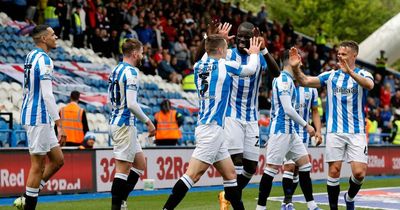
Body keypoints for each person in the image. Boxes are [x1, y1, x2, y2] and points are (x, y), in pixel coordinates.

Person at [162, 34, 262, 210]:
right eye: (226, 47)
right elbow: (251, 70)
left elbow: (206, 51)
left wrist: (214, 38)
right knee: (192, 175)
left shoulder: (198, 65)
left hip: (210, 127)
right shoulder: (225, 65)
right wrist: (254, 53)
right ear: (222, 50)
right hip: (211, 130)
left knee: (231, 175)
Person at [196, 21, 280, 208]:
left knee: (251, 168)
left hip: (251, 117)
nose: (241, 39)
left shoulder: (256, 57)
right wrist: (212, 38)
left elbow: (277, 73)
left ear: (254, 39)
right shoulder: (228, 54)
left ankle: (227, 195)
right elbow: (201, 59)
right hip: (231, 115)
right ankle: (234, 203)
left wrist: (264, 50)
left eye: (246, 37)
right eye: (239, 36)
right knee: (237, 162)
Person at [291, 40, 374, 210]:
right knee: (334, 171)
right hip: (335, 131)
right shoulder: (330, 76)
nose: (339, 56)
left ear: (354, 55)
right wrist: (295, 68)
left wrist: (349, 72)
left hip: (356, 131)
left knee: (359, 173)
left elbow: (369, 85)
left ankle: (349, 197)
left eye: (343, 54)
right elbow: (305, 81)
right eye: (338, 54)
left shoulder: (364, 74)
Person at [256, 49, 320, 210]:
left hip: (290, 131)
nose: (302, 61)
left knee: (305, 165)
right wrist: (307, 125)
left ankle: (312, 206)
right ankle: (260, 207)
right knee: (271, 169)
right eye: (299, 57)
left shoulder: (289, 80)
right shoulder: (283, 79)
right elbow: (288, 109)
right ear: (290, 60)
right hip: (281, 130)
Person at [13, 24, 66, 210]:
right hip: (38, 117)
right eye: (53, 34)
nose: (56, 37)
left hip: (34, 114)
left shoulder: (30, 56)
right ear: (44, 39)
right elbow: (47, 94)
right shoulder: (44, 60)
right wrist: (59, 124)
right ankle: (28, 204)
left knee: (58, 160)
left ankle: (28, 195)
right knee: (38, 166)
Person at [108, 38, 156, 210]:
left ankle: (122, 201)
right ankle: (117, 205)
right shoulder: (132, 72)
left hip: (119, 121)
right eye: (142, 52)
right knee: (123, 168)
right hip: (124, 124)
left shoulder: (115, 70)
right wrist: (149, 122)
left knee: (140, 164)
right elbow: (132, 104)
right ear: (135, 54)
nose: (143, 56)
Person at [281, 77, 322, 208]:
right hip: (288, 131)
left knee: (297, 169)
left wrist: (318, 131)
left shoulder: (311, 89)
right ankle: (287, 201)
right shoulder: (285, 85)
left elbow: (314, 111)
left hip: (304, 134)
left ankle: (287, 202)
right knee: (290, 166)